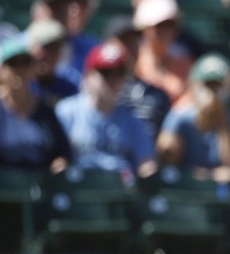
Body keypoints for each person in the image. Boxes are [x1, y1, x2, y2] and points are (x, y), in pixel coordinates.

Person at [56, 41, 156, 177]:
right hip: (78, 192)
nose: (113, 79)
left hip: (121, 194)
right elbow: (55, 160)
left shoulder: (134, 121)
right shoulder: (66, 113)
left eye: (119, 73)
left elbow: (146, 164)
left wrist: (148, 172)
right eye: (106, 73)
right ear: (87, 76)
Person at [156, 52, 230, 182]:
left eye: (217, 86)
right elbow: (166, 157)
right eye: (208, 85)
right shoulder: (180, 116)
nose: (212, 91)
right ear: (196, 85)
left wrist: (222, 121)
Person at [0, 33, 71, 171]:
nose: (19, 70)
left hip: (38, 188)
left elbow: (63, 152)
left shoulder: (46, 111)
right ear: (2, 70)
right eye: (13, 64)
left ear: (34, 68)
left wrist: (60, 164)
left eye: (25, 63)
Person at [25, 17, 78, 106]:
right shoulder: (17, 82)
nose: (48, 56)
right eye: (44, 48)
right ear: (31, 48)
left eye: (54, 49)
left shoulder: (68, 88)